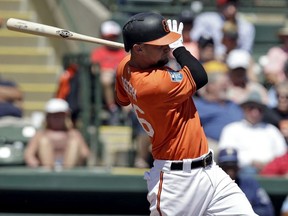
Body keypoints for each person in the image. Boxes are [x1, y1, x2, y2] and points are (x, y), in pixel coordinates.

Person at [115, 12, 256, 215]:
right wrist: (179, 48)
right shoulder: (154, 84)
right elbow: (199, 75)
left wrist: (147, 53)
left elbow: (122, 99)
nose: (166, 47)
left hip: (210, 172)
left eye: (167, 43)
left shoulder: (124, 67)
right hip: (177, 182)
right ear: (138, 48)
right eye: (160, 45)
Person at [218, 91, 287, 175]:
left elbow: (282, 153)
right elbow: (227, 154)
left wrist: (269, 165)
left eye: (259, 109)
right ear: (244, 109)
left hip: (271, 171)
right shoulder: (232, 129)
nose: (255, 113)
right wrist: (250, 162)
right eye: (251, 108)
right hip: (242, 172)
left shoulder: (271, 130)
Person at [24, 98, 90, 170]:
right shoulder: (40, 135)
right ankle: (49, 172)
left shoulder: (73, 134)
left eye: (60, 115)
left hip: (69, 169)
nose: (57, 118)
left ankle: (67, 172)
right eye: (54, 115)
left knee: (74, 142)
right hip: (46, 169)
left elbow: (85, 153)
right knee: (44, 141)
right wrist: (36, 164)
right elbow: (29, 155)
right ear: (48, 117)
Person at [218, 148, 275, 216]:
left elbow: (267, 210)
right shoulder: (211, 187)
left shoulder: (250, 183)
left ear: (238, 167)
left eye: (233, 167)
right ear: (219, 167)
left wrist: (245, 211)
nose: (230, 171)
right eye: (226, 167)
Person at [90, 20, 127, 125]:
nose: (111, 39)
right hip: (104, 83)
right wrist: (108, 72)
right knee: (106, 78)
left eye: (114, 36)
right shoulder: (98, 52)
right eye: (109, 36)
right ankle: (112, 109)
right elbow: (94, 69)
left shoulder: (122, 52)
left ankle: (128, 113)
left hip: (121, 81)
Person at [190, 0, 255, 57]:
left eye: (234, 3)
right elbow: (194, 38)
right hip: (210, 59)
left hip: (234, 61)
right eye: (228, 3)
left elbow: (246, 51)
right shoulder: (205, 19)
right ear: (221, 5)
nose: (231, 7)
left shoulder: (246, 26)